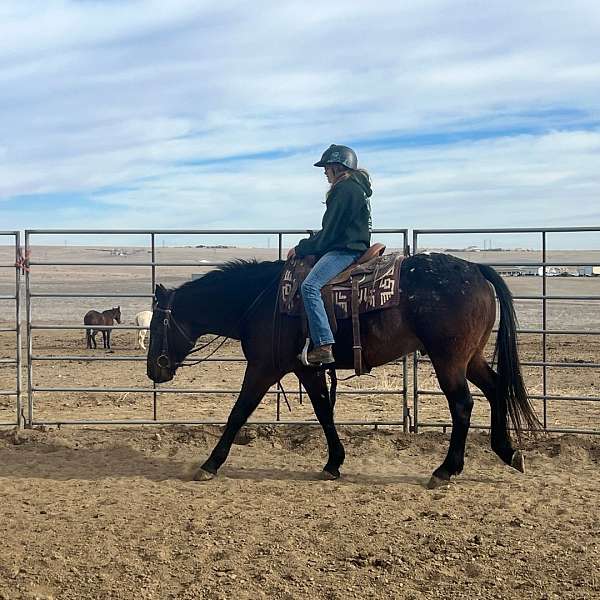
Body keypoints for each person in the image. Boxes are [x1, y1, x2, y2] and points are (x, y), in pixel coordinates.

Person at [288, 144, 373, 365]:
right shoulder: (357, 188)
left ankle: (324, 344)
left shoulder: (344, 189)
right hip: (354, 246)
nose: (324, 172)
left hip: (345, 250)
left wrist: (301, 248)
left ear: (337, 166)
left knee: (309, 286)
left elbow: (330, 234)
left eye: (326, 167)